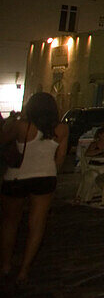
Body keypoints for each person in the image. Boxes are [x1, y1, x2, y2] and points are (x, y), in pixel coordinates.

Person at [1, 92, 69, 283]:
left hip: (17, 177)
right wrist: (51, 170)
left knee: (10, 222)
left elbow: (3, 140)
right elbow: (61, 157)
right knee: (37, 224)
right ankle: (24, 269)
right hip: (45, 177)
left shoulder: (21, 126)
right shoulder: (62, 129)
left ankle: (6, 264)